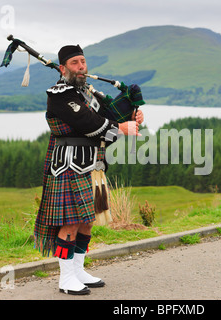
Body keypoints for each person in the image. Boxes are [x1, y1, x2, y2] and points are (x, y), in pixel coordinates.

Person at [34, 44, 144, 295]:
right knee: (71, 222)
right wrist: (121, 128)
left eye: (83, 61)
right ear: (63, 69)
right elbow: (90, 124)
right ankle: (65, 278)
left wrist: (132, 118)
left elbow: (108, 116)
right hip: (68, 166)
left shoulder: (86, 93)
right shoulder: (60, 95)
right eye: (75, 63)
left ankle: (78, 270)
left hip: (92, 163)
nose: (81, 66)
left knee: (87, 222)